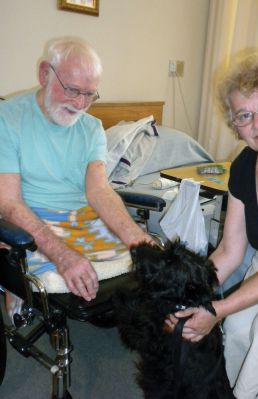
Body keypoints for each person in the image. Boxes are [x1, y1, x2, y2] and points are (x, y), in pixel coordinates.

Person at [167, 51, 258, 399]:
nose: (257, 123)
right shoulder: (243, 166)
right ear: (235, 124)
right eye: (245, 114)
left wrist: (217, 308)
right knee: (239, 328)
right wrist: (188, 299)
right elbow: (230, 250)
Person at [0, 37, 152, 302]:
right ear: (45, 74)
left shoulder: (92, 128)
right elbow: (9, 203)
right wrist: (62, 254)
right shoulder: (7, 118)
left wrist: (138, 240)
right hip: (34, 219)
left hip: (83, 220)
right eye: (72, 90)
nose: (81, 104)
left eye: (90, 94)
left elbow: (99, 191)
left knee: (143, 261)